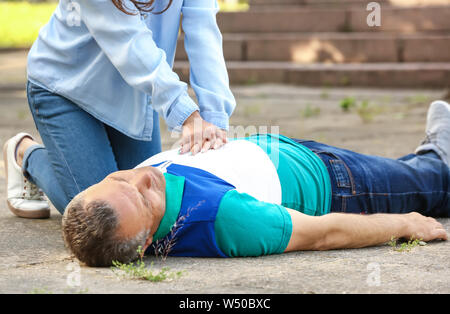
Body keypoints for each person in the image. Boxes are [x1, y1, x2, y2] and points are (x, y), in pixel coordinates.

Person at [56, 100, 450, 267]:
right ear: (144, 244)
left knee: (406, 174)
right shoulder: (224, 220)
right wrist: (404, 225)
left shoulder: (120, 200)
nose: (142, 177)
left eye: (118, 177)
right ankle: (436, 155)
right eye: (143, 197)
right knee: (432, 183)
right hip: (337, 181)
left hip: (290, 151)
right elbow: (322, 235)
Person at [3, 0, 235, 218]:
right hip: (66, 88)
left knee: (153, 207)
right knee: (100, 212)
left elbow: (203, 32)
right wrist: (186, 115)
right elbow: (129, 43)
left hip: (132, 97)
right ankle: (25, 154)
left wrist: (214, 120)